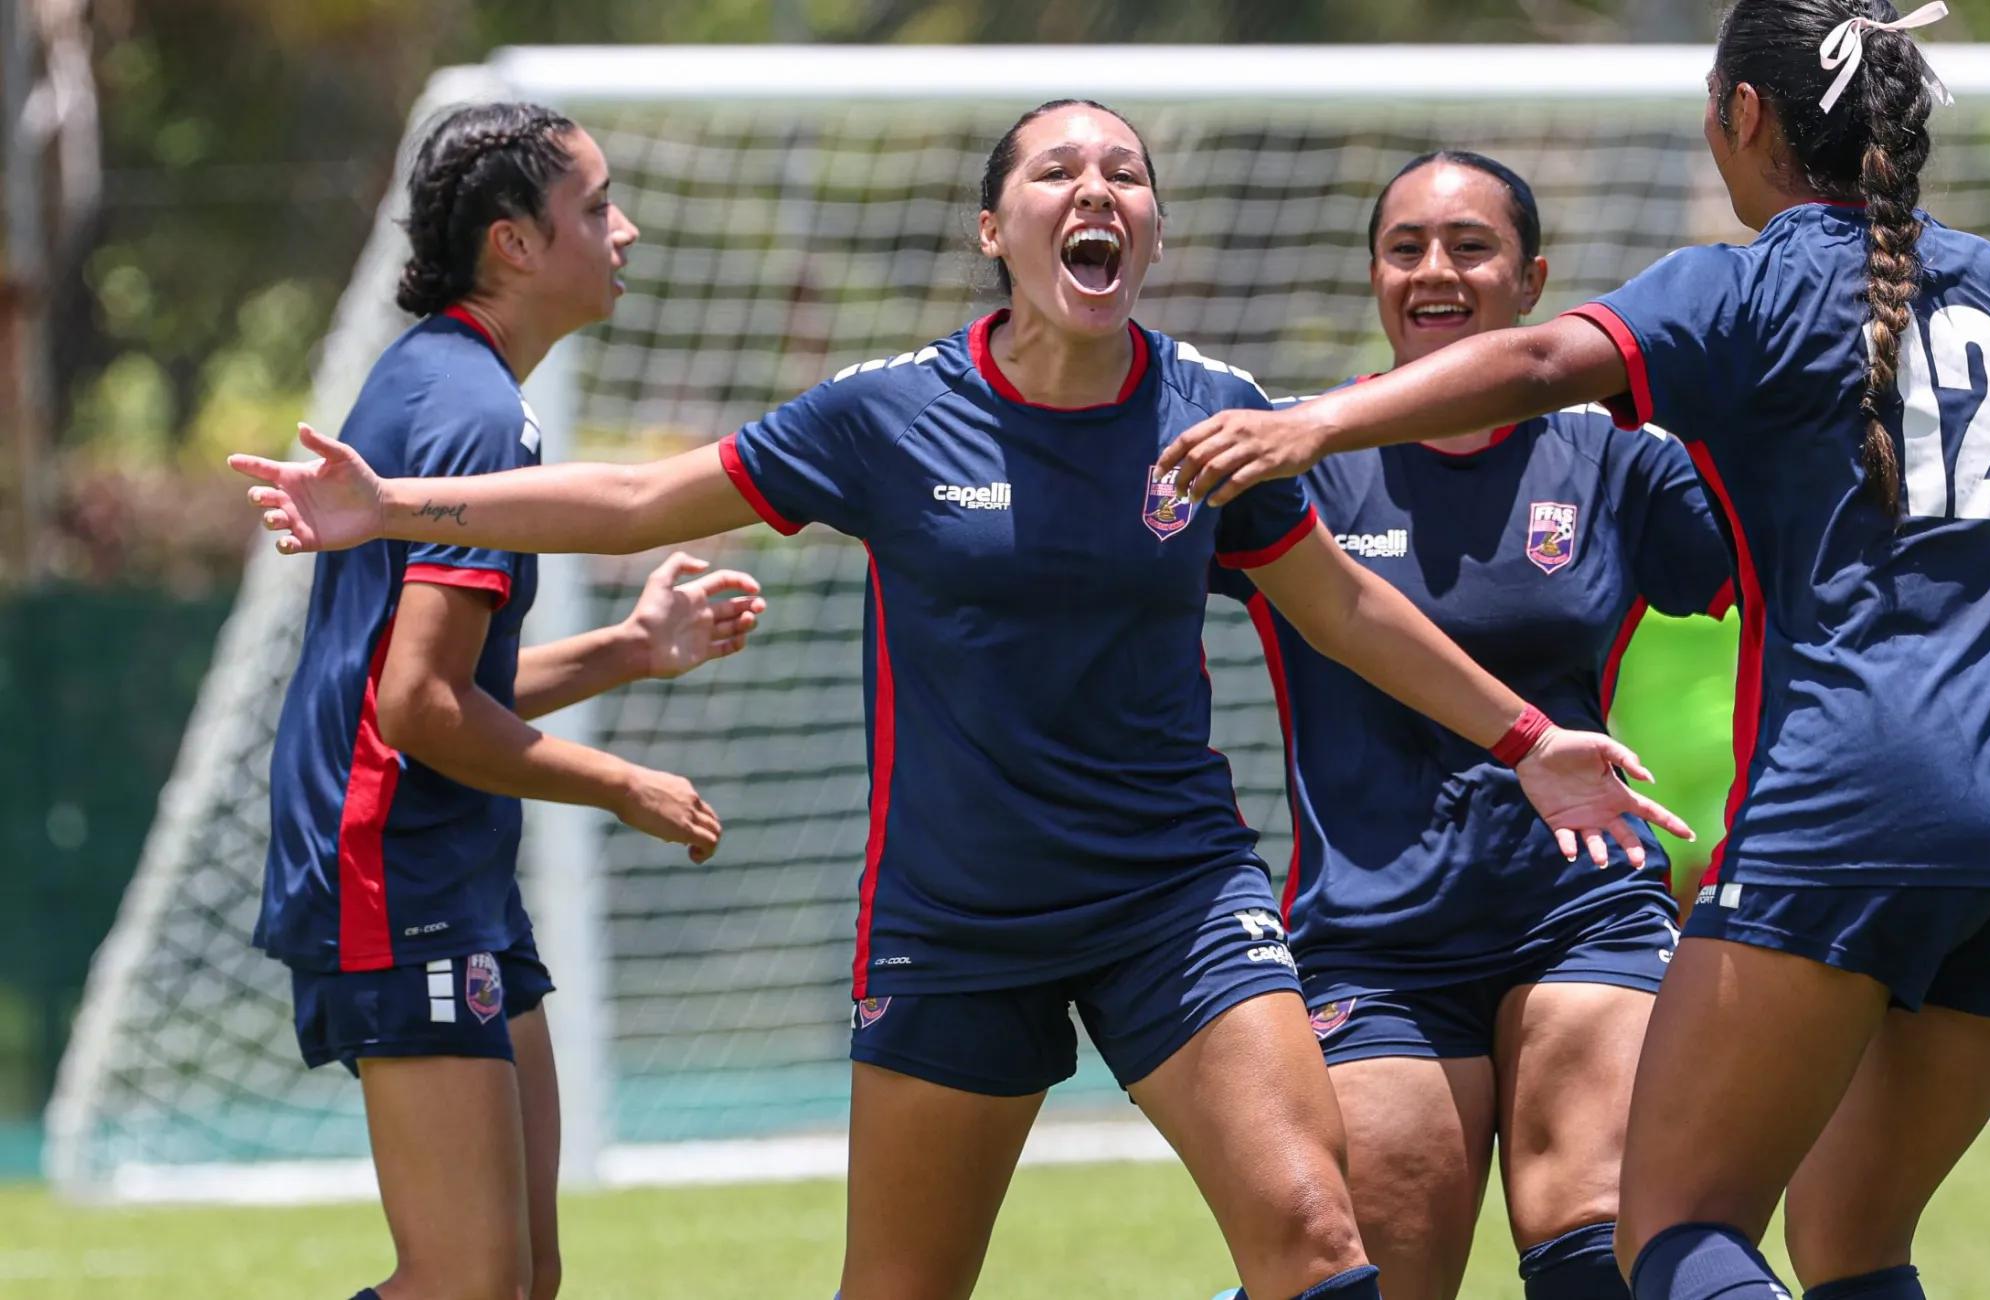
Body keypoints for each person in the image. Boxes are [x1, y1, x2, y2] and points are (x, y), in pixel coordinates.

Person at [231, 99, 1691, 1300]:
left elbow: (1348, 609)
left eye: (1124, 170)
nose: (1094, 186)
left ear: (1153, 233)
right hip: (954, 920)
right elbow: (633, 498)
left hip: (1176, 901)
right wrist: (392, 504)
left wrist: (1527, 738)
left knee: (1322, 1249)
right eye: (1057, 169)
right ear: (998, 232)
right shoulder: (885, 415)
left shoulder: (1209, 414)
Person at [1151, 3, 1990, 1296]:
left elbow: (1542, 364)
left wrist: (1314, 425)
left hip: (1847, 811)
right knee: (1851, 1240)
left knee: (1673, 1230)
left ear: (1743, 118)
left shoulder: (1748, 288)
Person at [254, 102, 760, 1300]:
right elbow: (419, 711)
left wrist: (629, 651)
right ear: (513, 245)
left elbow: (441, 686)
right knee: (466, 1281)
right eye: (595, 206)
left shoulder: (453, 382)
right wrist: (621, 782)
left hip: (444, 862)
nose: (623, 230)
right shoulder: (477, 414)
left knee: (522, 1278)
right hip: (394, 865)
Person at [1209, 149, 1733, 1300]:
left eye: (1470, 246)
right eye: (1406, 249)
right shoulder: (1292, 455)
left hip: (1583, 901)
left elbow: (1796, 575)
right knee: (1383, 1269)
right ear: (1374, 280)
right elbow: (1104, 577)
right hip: (1374, 932)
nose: (1435, 271)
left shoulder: (1616, 457)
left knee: (1602, 1237)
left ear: (1532, 278)